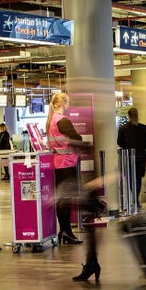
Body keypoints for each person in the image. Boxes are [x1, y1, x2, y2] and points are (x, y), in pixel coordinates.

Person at [45, 92, 85, 249]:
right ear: (63, 104)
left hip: (57, 163)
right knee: (65, 200)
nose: (69, 105)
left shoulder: (51, 121)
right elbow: (78, 139)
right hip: (66, 164)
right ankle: (67, 231)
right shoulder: (63, 121)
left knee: (61, 198)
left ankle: (64, 231)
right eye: (68, 102)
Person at [117, 107, 146, 206]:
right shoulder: (143, 128)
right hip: (141, 157)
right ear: (137, 115)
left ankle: (135, 198)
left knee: (130, 178)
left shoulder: (123, 128)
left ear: (128, 116)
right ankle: (136, 199)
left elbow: (119, 142)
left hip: (128, 158)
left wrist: (127, 147)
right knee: (138, 178)